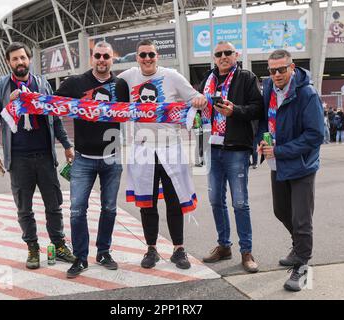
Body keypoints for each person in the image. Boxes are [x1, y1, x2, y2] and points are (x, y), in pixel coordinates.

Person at [117, 39, 207, 270]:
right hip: (143, 148)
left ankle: (178, 249)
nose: (147, 59)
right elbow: (108, 95)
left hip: (170, 147)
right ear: (137, 57)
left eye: (151, 55)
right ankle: (151, 249)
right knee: (146, 204)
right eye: (143, 55)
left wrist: (198, 100)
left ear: (158, 56)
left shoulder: (172, 76)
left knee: (173, 200)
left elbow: (196, 98)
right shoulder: (127, 77)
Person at [0, 42, 76, 269]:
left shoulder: (42, 84)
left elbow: (54, 117)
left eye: (23, 58)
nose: (20, 62)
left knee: (53, 204)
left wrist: (66, 144)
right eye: (15, 59)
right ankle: (33, 249)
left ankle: (59, 245)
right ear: (9, 63)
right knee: (24, 208)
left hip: (45, 155)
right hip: (18, 159)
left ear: (29, 60)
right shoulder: (0, 88)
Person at [53, 41, 129, 278]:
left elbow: (132, 112)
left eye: (106, 56)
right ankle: (81, 258)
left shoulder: (121, 85)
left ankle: (104, 252)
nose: (102, 60)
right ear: (92, 57)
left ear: (112, 59)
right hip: (83, 158)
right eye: (98, 56)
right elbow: (50, 103)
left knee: (109, 208)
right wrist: (23, 97)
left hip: (112, 158)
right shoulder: (76, 83)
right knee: (77, 210)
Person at [257, 49, 324, 291]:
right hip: (278, 162)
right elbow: (265, 119)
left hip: (302, 165)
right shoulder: (268, 89)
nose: (276, 74)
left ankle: (302, 268)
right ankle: (299, 248)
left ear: (292, 68)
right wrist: (262, 140)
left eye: (281, 69)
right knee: (281, 210)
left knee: (301, 219)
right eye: (272, 70)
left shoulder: (307, 93)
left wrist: (280, 150)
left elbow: (316, 135)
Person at [199, 41, 264, 273]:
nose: (224, 57)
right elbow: (200, 105)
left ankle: (246, 252)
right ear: (214, 57)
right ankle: (224, 246)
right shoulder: (208, 79)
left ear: (236, 55)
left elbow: (258, 108)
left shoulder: (246, 78)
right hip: (212, 147)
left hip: (236, 148)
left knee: (240, 202)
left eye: (228, 53)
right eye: (219, 54)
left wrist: (234, 110)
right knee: (216, 200)